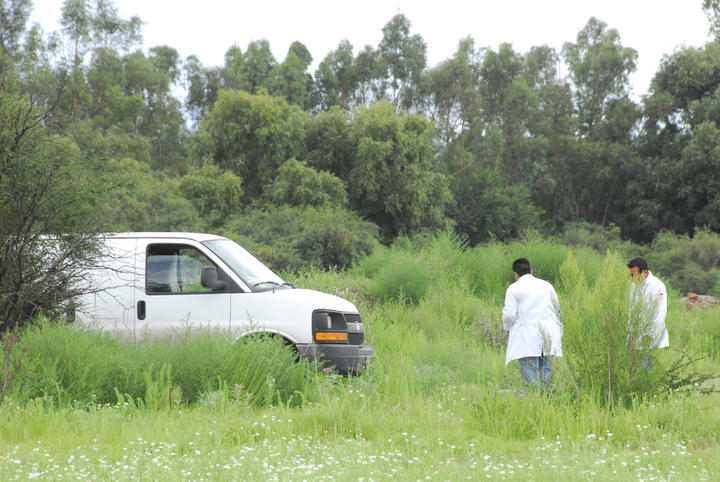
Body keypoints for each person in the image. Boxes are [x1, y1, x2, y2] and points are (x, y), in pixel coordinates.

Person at [502, 258, 563, 388]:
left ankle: (528, 401)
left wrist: (507, 328)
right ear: (531, 271)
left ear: (515, 274)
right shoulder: (547, 286)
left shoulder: (514, 288)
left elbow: (509, 315)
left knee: (531, 382)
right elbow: (557, 309)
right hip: (549, 335)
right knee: (546, 378)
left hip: (527, 338)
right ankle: (546, 403)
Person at [627, 257, 669, 367]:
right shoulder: (634, 285)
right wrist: (631, 332)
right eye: (630, 275)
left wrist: (649, 335)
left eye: (635, 275)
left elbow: (660, 313)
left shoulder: (657, 286)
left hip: (650, 338)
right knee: (632, 370)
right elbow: (632, 310)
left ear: (645, 272)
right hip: (635, 337)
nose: (632, 278)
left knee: (646, 370)